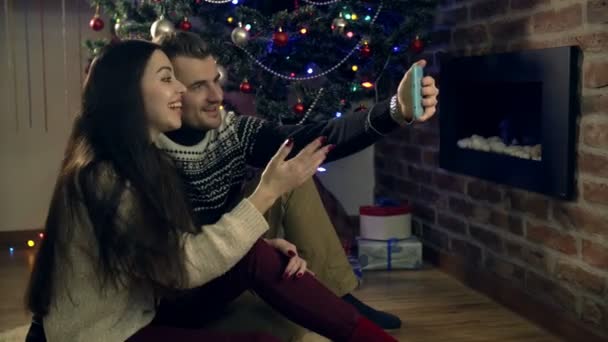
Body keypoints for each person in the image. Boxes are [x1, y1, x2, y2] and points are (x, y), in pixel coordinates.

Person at [24, 40, 397, 342]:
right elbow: (182, 268)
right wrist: (263, 196)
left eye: (210, 80)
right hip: (115, 330)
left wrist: (392, 112)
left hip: (149, 302)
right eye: (170, 79)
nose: (187, 92)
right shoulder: (105, 175)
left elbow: (171, 251)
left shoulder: (141, 158)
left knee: (261, 245)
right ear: (129, 92)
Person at [153, 31, 439, 330]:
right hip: (193, 284)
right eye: (199, 86)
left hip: (240, 252)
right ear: (168, 91)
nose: (216, 95)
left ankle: (338, 296)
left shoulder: (230, 131)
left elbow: (314, 138)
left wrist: (394, 110)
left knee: (293, 163)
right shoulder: (146, 150)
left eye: (216, 80)